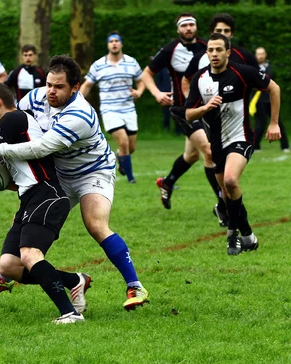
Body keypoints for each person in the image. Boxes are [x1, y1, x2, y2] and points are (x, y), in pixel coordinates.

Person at [0, 55, 149, 311]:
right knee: (23, 221)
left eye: (59, 87)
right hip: (57, 174)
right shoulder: (36, 97)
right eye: (48, 84)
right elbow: (9, 122)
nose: (50, 92)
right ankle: (7, 274)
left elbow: (43, 147)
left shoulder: (79, 114)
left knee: (95, 224)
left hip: (92, 172)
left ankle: (135, 286)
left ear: (75, 87)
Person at [0, 82, 88, 324]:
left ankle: (70, 314)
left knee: (29, 254)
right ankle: (74, 281)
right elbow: (1, 171)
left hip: (47, 194)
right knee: (9, 265)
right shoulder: (5, 126)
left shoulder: (14, 118)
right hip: (29, 197)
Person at [184, 33, 281, 255]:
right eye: (210, 50)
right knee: (227, 193)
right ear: (206, 52)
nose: (214, 54)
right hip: (216, 142)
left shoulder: (242, 73)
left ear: (228, 52)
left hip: (241, 137)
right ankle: (247, 235)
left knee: (230, 180)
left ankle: (232, 234)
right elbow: (188, 114)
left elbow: (274, 88)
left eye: (219, 50)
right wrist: (205, 109)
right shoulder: (200, 78)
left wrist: (274, 123)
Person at [141, 13, 223, 221]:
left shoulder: (206, 47)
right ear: (178, 30)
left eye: (191, 25)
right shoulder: (170, 49)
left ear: (196, 28)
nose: (188, 28)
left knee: (192, 155)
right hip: (182, 109)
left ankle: (168, 182)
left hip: (203, 108)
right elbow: (146, 74)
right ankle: (223, 204)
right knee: (209, 151)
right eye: (184, 25)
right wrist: (157, 93)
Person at [80, 31, 145, 184]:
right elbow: (87, 84)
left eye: (117, 41)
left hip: (128, 109)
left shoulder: (131, 62)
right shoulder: (98, 65)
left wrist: (139, 91)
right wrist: (80, 101)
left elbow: (141, 81)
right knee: (123, 142)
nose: (114, 43)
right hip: (109, 110)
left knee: (131, 147)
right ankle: (131, 179)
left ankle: (119, 157)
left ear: (121, 44)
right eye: (111, 41)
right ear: (108, 45)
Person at [182, 13, 259, 96]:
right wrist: (191, 102)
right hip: (208, 108)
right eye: (218, 31)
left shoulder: (245, 56)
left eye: (226, 31)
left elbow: (261, 82)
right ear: (212, 33)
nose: (222, 34)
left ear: (232, 34)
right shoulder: (200, 57)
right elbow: (185, 80)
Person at [252, 47, 289, 152]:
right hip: (259, 101)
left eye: (262, 54)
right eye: (258, 54)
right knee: (260, 123)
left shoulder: (271, 68)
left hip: (271, 100)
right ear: (255, 55)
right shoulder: (253, 68)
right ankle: (255, 146)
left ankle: (285, 146)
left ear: (265, 55)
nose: (260, 56)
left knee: (278, 122)